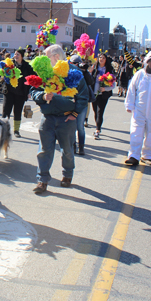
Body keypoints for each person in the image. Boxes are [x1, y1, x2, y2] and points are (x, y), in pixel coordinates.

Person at [31, 45, 89, 193]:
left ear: (56, 56)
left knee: (67, 151)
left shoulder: (74, 72)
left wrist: (75, 114)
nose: (44, 58)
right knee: (44, 151)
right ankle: (42, 180)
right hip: (48, 118)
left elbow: (83, 96)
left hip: (66, 120)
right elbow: (34, 90)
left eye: (46, 55)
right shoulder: (45, 71)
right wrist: (43, 96)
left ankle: (67, 175)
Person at [1, 49, 35, 138]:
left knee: (17, 112)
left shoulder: (27, 66)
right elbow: (2, 73)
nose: (15, 56)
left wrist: (29, 91)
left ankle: (16, 130)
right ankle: (4, 130)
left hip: (21, 93)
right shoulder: (10, 64)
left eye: (18, 54)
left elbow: (32, 78)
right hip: (9, 92)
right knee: (6, 111)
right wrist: (3, 76)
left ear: (22, 56)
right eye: (15, 54)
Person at [90, 53, 115, 140]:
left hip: (103, 95)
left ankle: (97, 130)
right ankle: (97, 125)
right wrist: (90, 72)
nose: (101, 59)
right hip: (94, 93)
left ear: (106, 60)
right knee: (95, 111)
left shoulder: (109, 70)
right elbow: (89, 80)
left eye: (103, 58)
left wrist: (105, 88)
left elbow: (113, 85)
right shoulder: (94, 68)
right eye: (100, 57)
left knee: (100, 111)